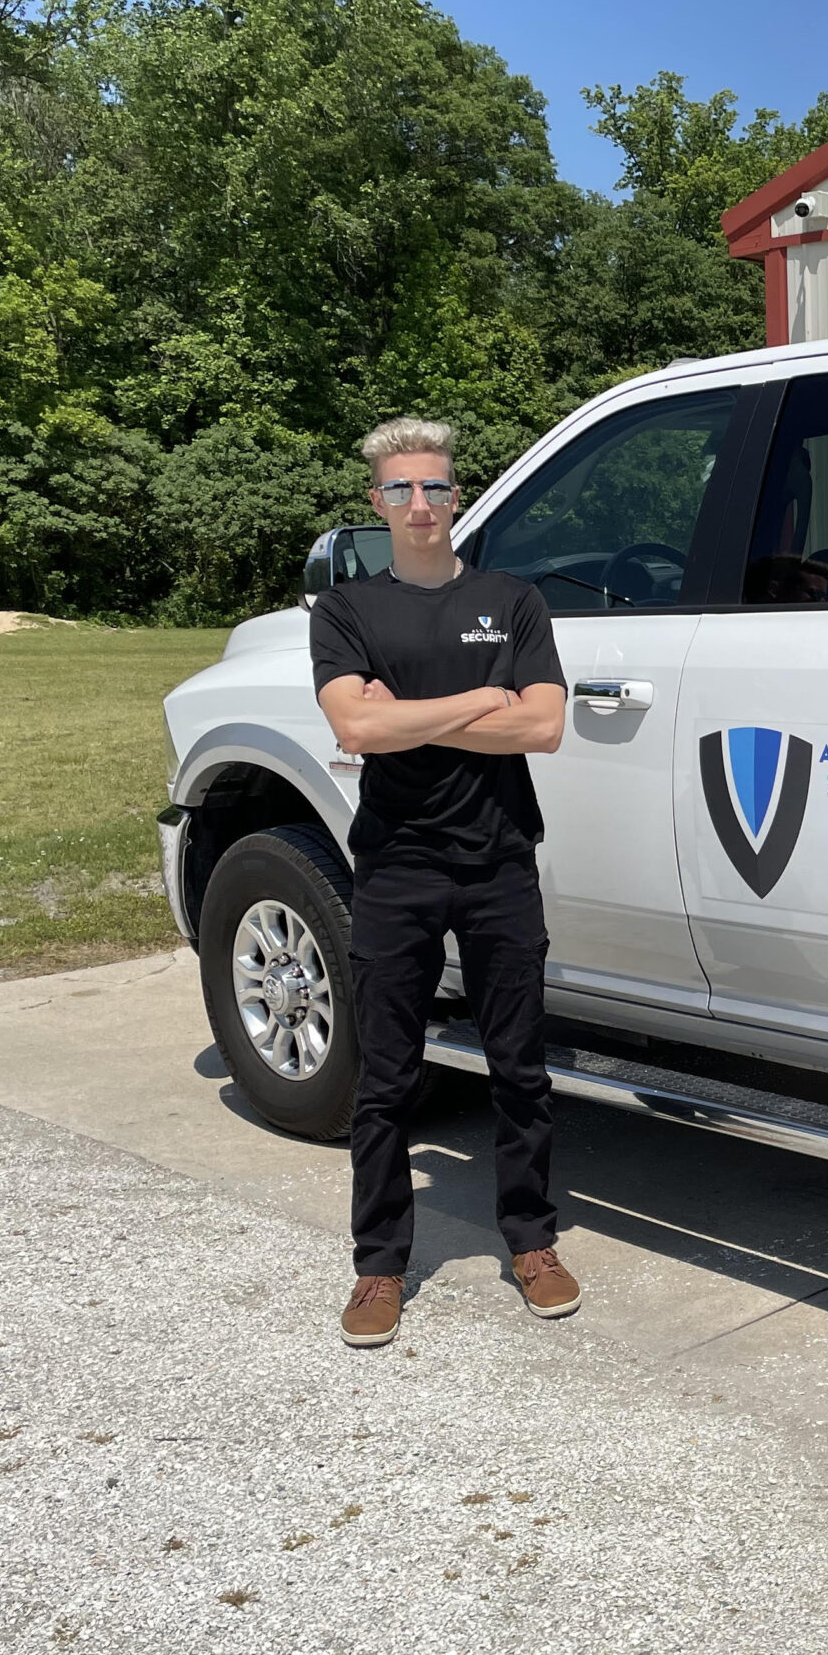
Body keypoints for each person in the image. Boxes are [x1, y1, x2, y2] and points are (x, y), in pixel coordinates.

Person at [308, 417, 574, 1348]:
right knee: (385, 1077)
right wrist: (476, 701)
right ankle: (379, 1266)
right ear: (375, 503)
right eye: (399, 490)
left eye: (435, 487)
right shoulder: (347, 613)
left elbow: (544, 728)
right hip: (397, 865)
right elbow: (357, 732)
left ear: (457, 496)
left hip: (501, 861)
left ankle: (533, 1243)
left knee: (521, 1070)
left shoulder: (515, 599)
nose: (420, 504)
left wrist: (409, 715)